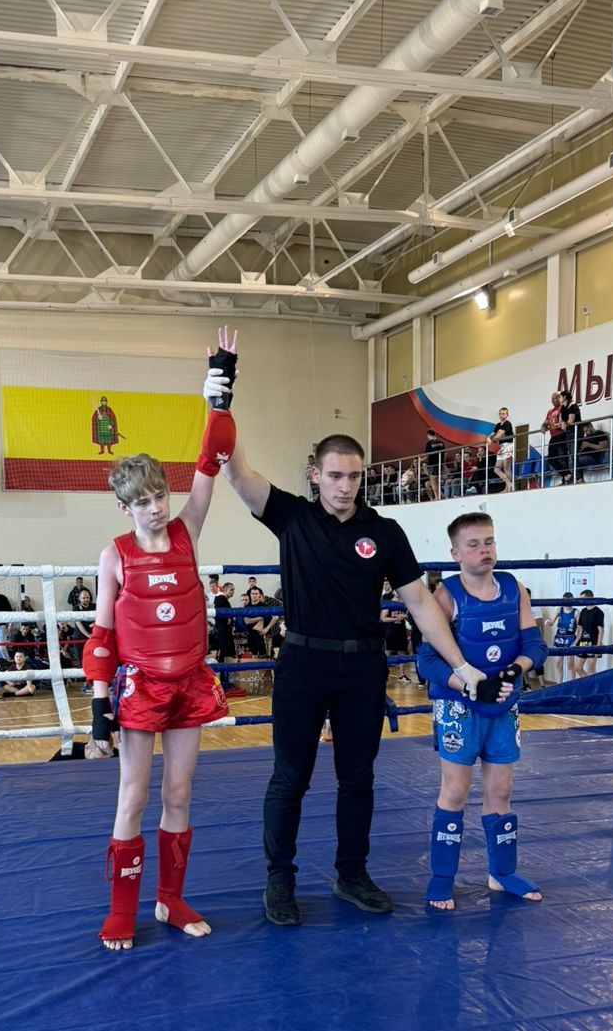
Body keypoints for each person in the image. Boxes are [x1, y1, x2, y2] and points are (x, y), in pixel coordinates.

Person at [211, 333, 487, 927]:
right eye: (335, 475)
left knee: (357, 778)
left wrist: (461, 665)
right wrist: (221, 393)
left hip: (363, 667)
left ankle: (352, 874)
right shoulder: (291, 516)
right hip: (303, 665)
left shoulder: (385, 532)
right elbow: (235, 471)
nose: (345, 486)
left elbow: (420, 603)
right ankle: (279, 880)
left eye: (354, 477)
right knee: (290, 777)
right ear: (315, 474)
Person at [83, 357, 235, 953]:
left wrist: (218, 397)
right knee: (133, 796)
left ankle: (170, 900)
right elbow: (101, 636)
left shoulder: (187, 530)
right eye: (143, 501)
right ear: (124, 506)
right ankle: (122, 910)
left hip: (190, 682)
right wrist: (99, 711)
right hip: (141, 687)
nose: (156, 507)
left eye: (160, 495)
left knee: (178, 794)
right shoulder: (114, 555)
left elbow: (210, 463)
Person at [418, 512, 547, 910]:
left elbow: (535, 645)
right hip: (459, 707)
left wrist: (512, 672)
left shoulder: (513, 588)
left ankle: (502, 873)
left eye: (489, 542)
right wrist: (469, 683)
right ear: (455, 553)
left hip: (504, 704)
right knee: (455, 790)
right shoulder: (446, 596)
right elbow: (426, 659)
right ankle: (442, 877)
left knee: (501, 791)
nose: (484, 550)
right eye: (473, 545)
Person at [574, 592, 604, 678]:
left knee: (591, 667)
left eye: (583, 598)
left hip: (593, 642)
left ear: (590, 598)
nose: (581, 601)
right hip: (583, 642)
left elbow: (601, 630)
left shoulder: (598, 612)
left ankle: (592, 685)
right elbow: (580, 628)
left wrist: (598, 644)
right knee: (578, 668)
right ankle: (588, 683)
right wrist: (576, 642)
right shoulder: (583, 611)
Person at [550, 600, 576, 684]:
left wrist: (576, 642)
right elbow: (551, 622)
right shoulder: (559, 610)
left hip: (570, 638)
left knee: (570, 664)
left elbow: (580, 628)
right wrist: (548, 622)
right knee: (558, 662)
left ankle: (572, 686)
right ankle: (559, 685)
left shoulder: (576, 612)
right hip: (559, 638)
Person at [490, 407, 515, 492]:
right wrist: (489, 438)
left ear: (507, 415)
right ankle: (508, 484)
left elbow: (498, 435)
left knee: (506, 467)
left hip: (508, 445)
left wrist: (492, 439)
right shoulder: (498, 425)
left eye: (503, 414)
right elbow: (492, 434)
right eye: (500, 414)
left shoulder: (507, 423)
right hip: (501, 446)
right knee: (496, 469)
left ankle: (510, 487)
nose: (502, 415)